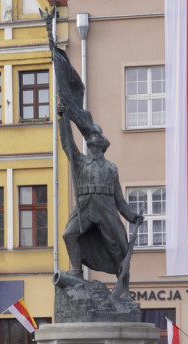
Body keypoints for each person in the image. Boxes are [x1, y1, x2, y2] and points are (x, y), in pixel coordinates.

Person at [57, 106, 143, 300]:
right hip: (85, 206)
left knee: (119, 249)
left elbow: (119, 198)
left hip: (106, 208)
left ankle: (124, 290)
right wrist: (63, 119)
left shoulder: (111, 168)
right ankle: (76, 272)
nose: (93, 143)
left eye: (96, 140)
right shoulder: (80, 161)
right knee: (68, 234)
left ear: (102, 145)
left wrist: (132, 215)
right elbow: (67, 144)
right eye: (91, 141)